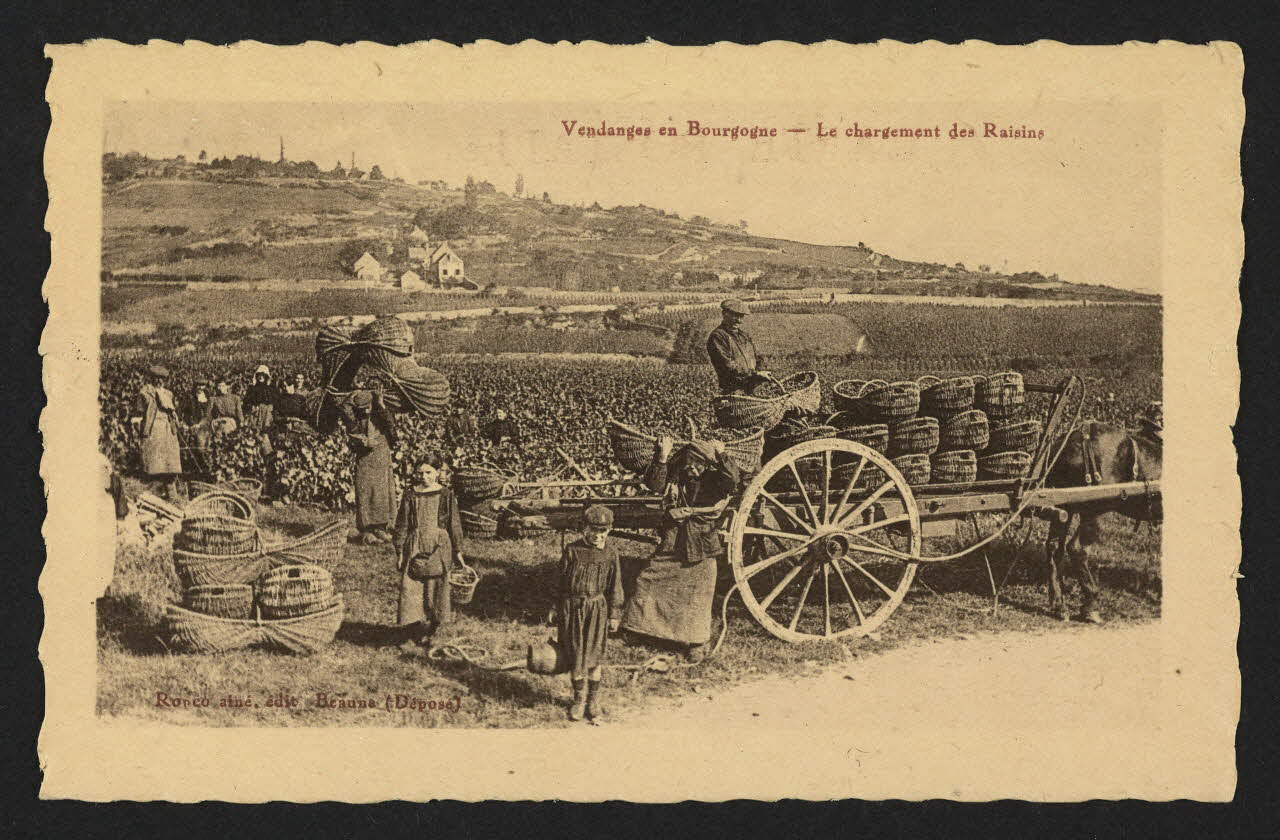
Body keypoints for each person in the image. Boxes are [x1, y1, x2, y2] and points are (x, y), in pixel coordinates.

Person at [620, 436, 740, 663]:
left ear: (708, 464)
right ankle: (639, 629)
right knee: (648, 580)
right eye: (690, 462)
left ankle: (696, 641)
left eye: (698, 464)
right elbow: (655, 484)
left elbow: (733, 480)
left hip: (702, 542)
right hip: (674, 538)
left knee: (698, 594)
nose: (692, 468)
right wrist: (663, 456)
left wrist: (721, 454)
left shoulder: (716, 479)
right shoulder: (678, 474)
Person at [550, 505, 624, 721]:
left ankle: (593, 701)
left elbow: (616, 586)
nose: (596, 535)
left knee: (594, 656)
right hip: (572, 608)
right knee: (575, 653)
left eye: (602, 531)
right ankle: (578, 700)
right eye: (592, 530)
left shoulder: (611, 554)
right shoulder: (572, 551)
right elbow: (559, 581)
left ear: (609, 530)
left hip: (597, 610)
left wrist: (615, 614)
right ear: (584, 528)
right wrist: (554, 607)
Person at [393, 454, 465, 648]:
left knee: (436, 588)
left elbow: (454, 523)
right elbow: (402, 524)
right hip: (414, 545)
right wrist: (400, 550)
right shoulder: (411, 494)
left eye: (429, 472)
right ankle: (411, 631)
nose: (424, 477)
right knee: (411, 587)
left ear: (437, 472)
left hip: (439, 546)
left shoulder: (446, 494)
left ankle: (433, 630)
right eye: (420, 472)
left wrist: (458, 550)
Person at [345, 389, 398, 545]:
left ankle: (381, 528)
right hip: (364, 457)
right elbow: (351, 433)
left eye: (368, 407)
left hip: (381, 456)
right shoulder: (354, 417)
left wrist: (381, 404)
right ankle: (367, 530)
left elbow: (391, 425)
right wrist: (364, 441)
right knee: (365, 491)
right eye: (362, 409)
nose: (366, 411)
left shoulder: (380, 413)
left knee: (381, 492)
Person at [129, 364, 183, 500]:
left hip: (168, 429)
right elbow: (139, 412)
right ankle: (153, 492)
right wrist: (137, 428)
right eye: (156, 378)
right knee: (154, 461)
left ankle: (171, 492)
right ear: (151, 378)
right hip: (153, 429)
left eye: (162, 379)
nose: (159, 381)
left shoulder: (168, 394)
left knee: (169, 460)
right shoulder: (145, 393)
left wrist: (176, 422)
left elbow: (173, 413)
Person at [706, 299, 772, 395]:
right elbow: (727, 366)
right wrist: (755, 374)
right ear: (725, 314)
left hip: (753, 388)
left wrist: (760, 370)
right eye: (735, 315)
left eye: (741, 316)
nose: (739, 320)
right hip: (734, 391)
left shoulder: (744, 335)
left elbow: (758, 357)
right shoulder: (718, 337)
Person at [244, 364, 279, 429]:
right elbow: (246, 401)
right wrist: (253, 407)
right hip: (255, 413)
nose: (261, 377)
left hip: (267, 413)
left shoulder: (271, 389)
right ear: (256, 376)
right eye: (259, 375)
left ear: (266, 376)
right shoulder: (252, 388)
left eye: (263, 375)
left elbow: (275, 402)